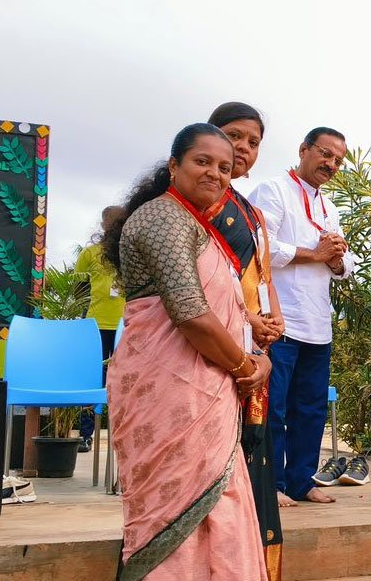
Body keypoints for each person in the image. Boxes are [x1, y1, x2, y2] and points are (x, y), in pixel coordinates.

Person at [104, 123, 269, 579]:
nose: (215, 173)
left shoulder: (196, 225)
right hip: (170, 389)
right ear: (174, 166)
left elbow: (219, 307)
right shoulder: (163, 217)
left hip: (208, 384)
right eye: (202, 161)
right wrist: (245, 365)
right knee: (177, 507)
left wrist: (255, 344)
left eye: (224, 167)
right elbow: (192, 314)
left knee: (221, 504)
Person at [249, 127, 356, 505]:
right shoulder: (273, 190)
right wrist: (317, 254)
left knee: (310, 409)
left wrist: (337, 259)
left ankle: (301, 481)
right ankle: (272, 484)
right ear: (303, 149)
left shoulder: (330, 207)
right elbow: (261, 246)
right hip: (280, 321)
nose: (331, 164)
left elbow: (345, 265)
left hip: (317, 322)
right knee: (274, 407)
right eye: (325, 154)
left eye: (338, 160)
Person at [206, 101, 284, 580]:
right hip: (212, 348)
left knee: (251, 453)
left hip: (253, 346)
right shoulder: (197, 205)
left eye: (253, 142)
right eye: (234, 135)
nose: (243, 147)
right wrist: (248, 319)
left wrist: (272, 320)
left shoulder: (250, 211)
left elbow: (263, 277)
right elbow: (201, 287)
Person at [74, 204, 126, 452]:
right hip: (95, 325)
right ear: (104, 224)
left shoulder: (130, 250)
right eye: (111, 221)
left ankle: (124, 435)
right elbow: (79, 290)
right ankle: (86, 434)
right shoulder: (90, 253)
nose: (115, 225)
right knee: (92, 379)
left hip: (127, 326)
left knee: (125, 380)